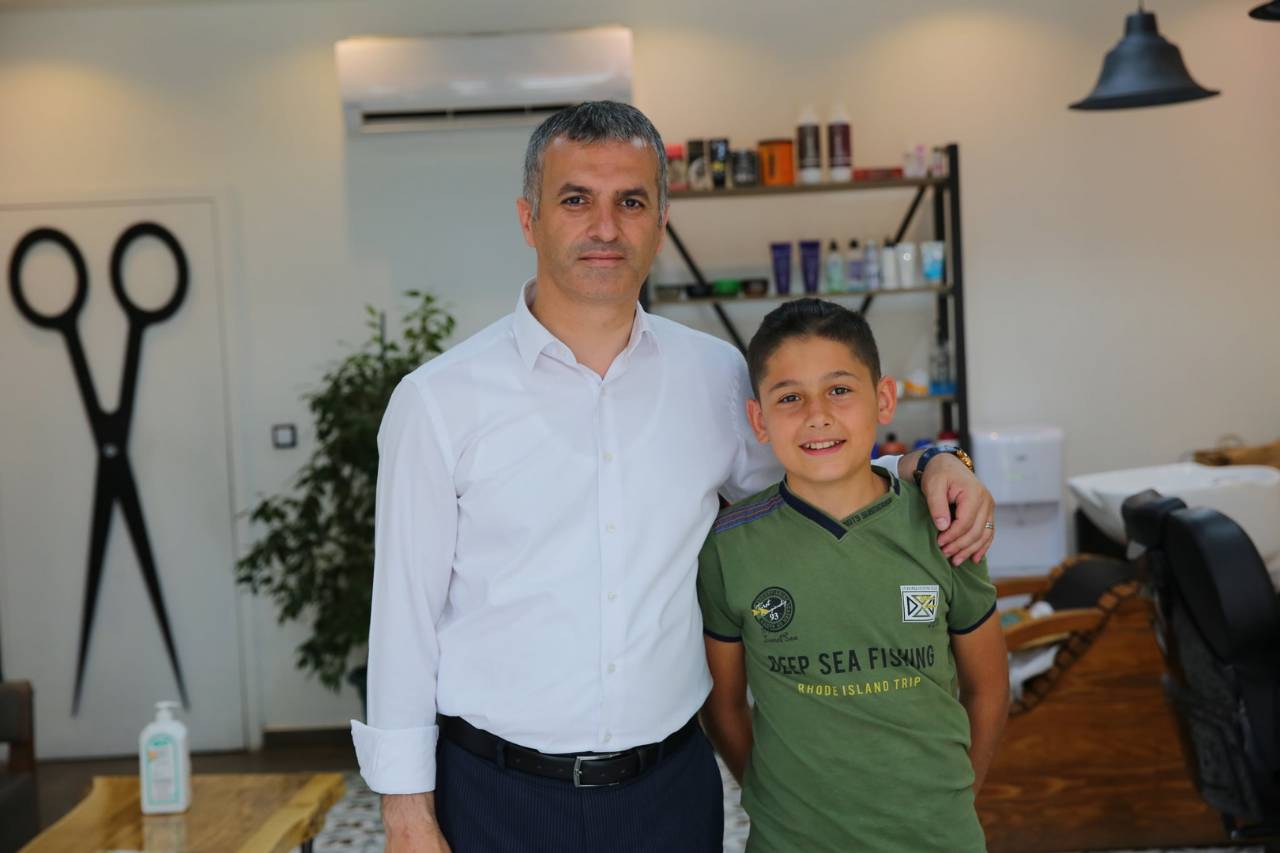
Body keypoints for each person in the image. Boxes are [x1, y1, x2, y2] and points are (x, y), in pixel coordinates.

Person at [350, 101, 996, 853]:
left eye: (631, 202)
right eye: (575, 200)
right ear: (529, 219)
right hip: (496, 796)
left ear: (661, 222)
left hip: (669, 792)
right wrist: (405, 812)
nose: (605, 227)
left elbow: (817, 472)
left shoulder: (714, 377)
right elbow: (402, 616)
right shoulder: (438, 401)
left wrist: (926, 461)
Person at [698, 298, 1009, 853]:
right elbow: (722, 707)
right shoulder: (728, 546)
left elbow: (988, 687)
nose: (817, 415)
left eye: (839, 389)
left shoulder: (942, 523)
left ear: (883, 399)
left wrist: (957, 796)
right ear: (758, 420)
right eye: (789, 397)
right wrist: (773, 798)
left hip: (939, 837)